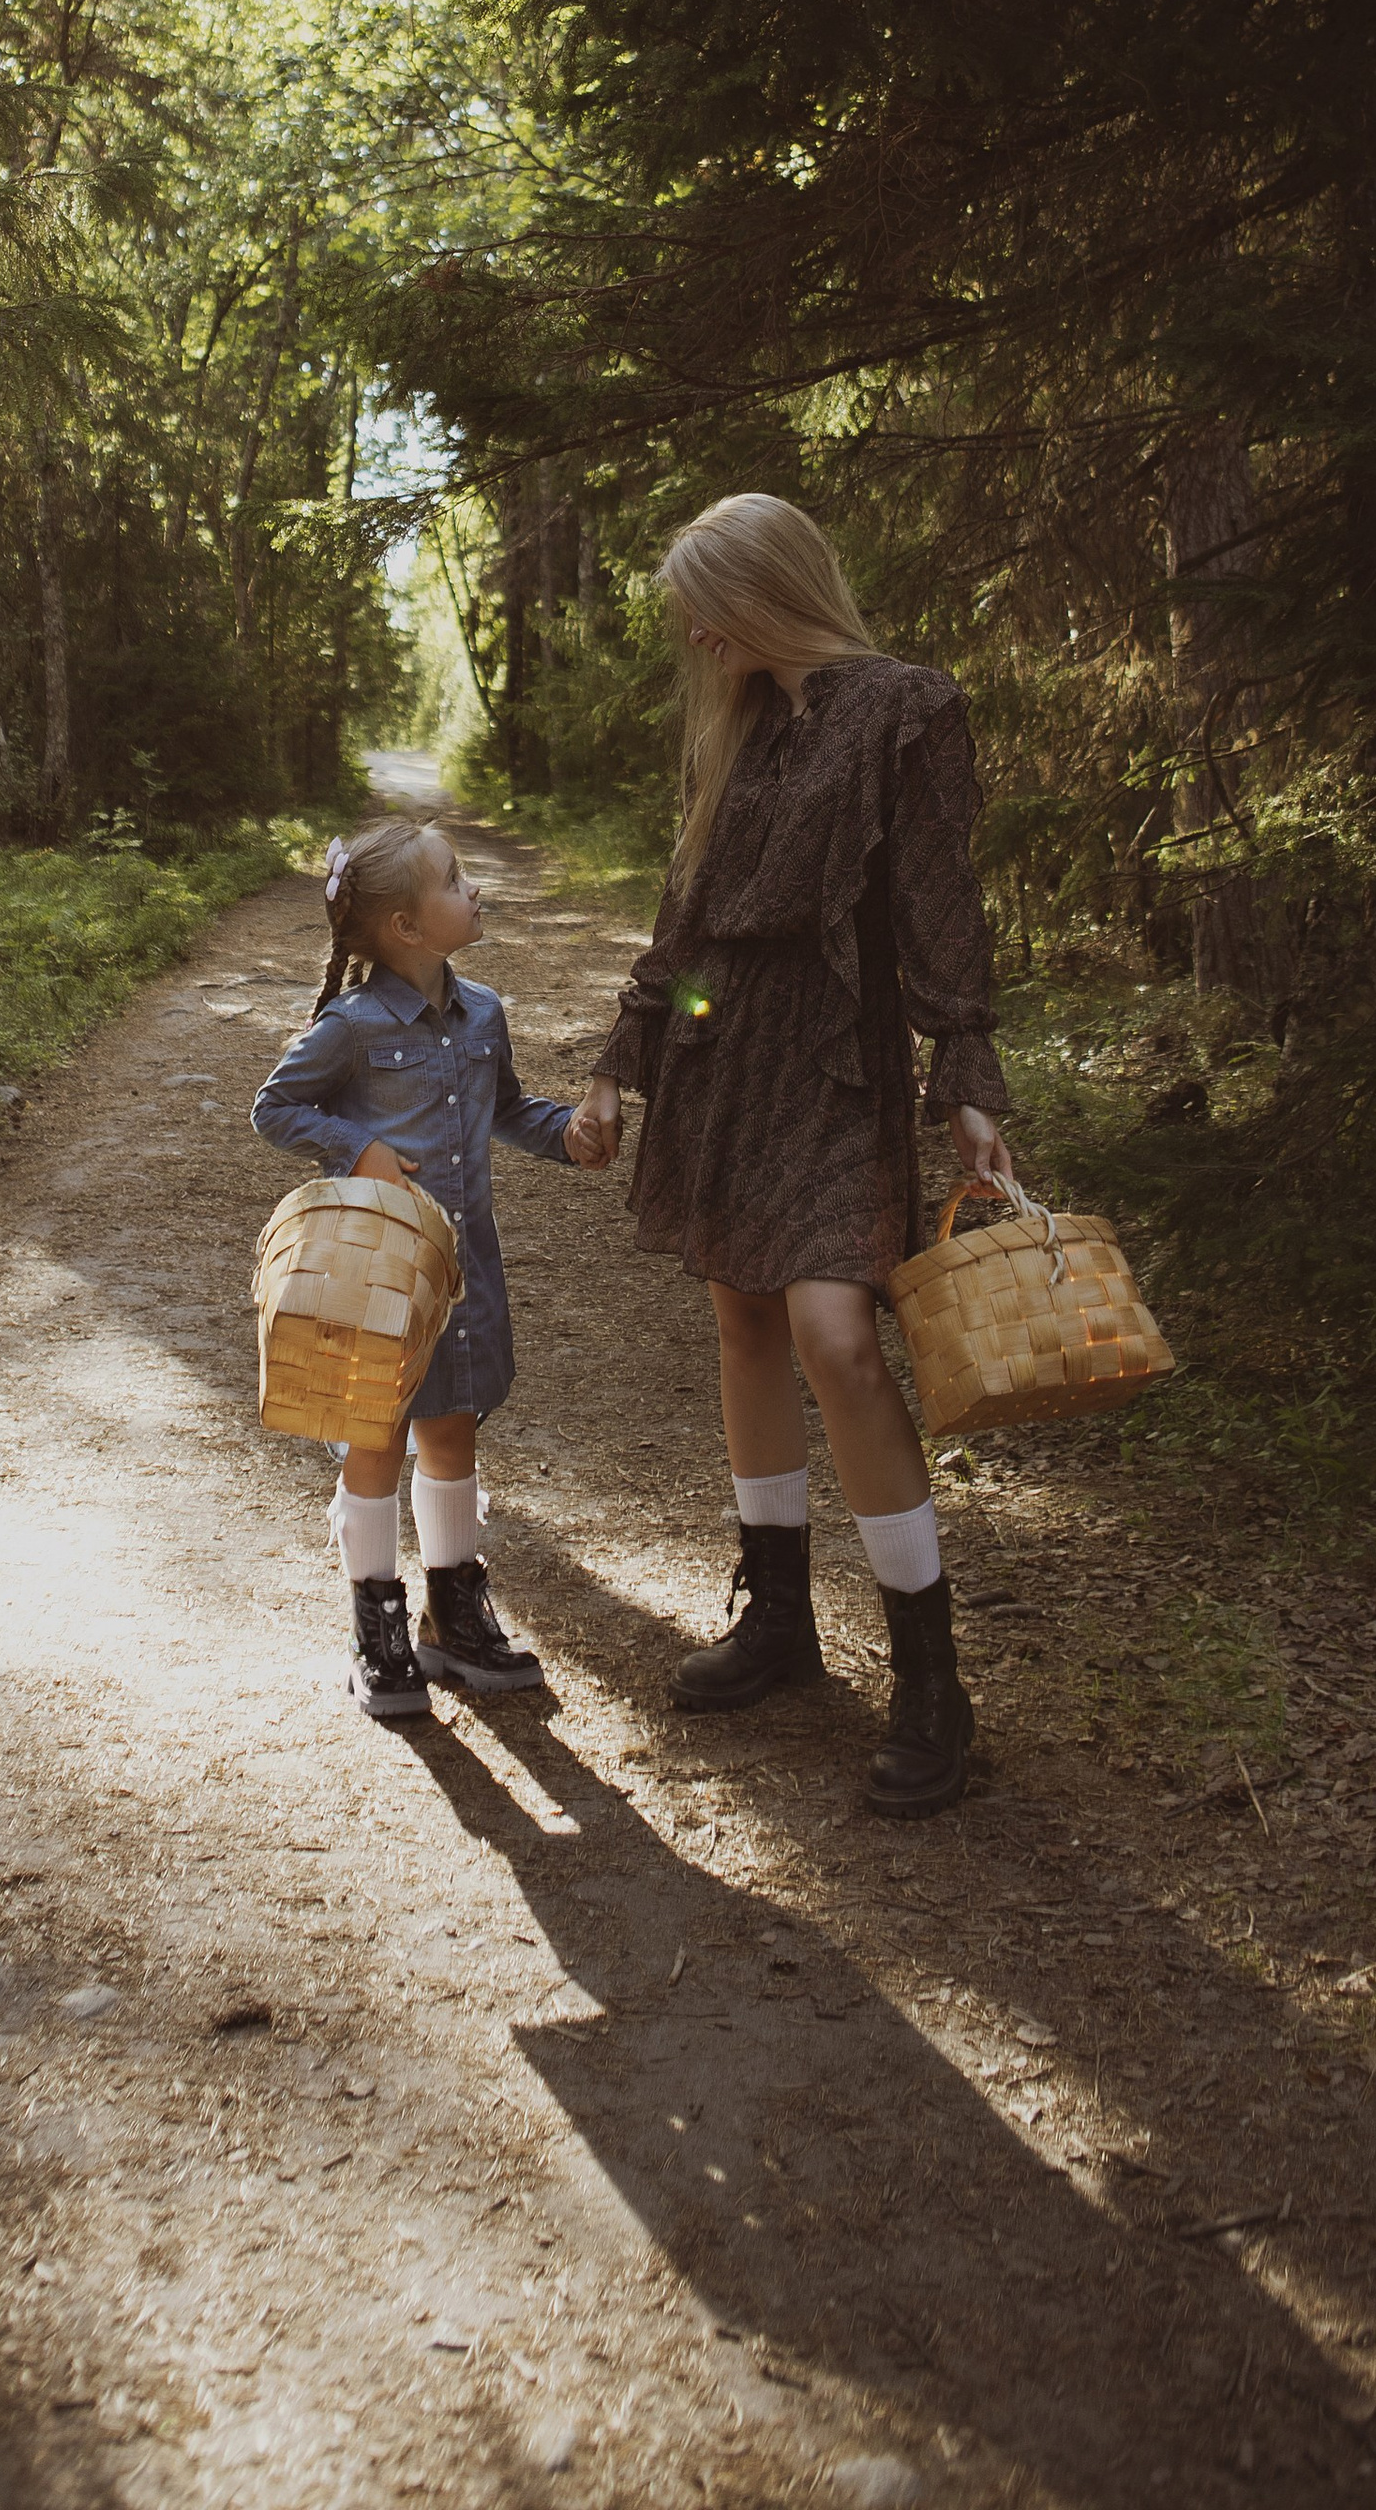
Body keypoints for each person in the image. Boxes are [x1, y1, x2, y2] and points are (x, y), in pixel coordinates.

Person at [575, 493, 1017, 1819]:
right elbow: (683, 926)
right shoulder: (739, 733)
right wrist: (622, 1059)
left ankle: (931, 1678)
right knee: (745, 1323)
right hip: (723, 1061)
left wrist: (967, 1076)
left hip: (837, 1063)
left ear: (767, 589)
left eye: (706, 603)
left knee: (836, 1331)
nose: (691, 633)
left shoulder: (908, 709)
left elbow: (942, 910)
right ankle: (778, 1620)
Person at [254, 814, 615, 1721]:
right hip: (375, 1276)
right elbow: (275, 1107)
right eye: (455, 880)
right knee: (374, 1436)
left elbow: (511, 1108)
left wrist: (566, 1134)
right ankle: (376, 1624)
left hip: (462, 1271)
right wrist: (355, 1146)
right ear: (406, 928)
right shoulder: (351, 1026)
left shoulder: (483, 1011)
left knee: (453, 1428)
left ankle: (454, 1617)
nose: (475, 889)